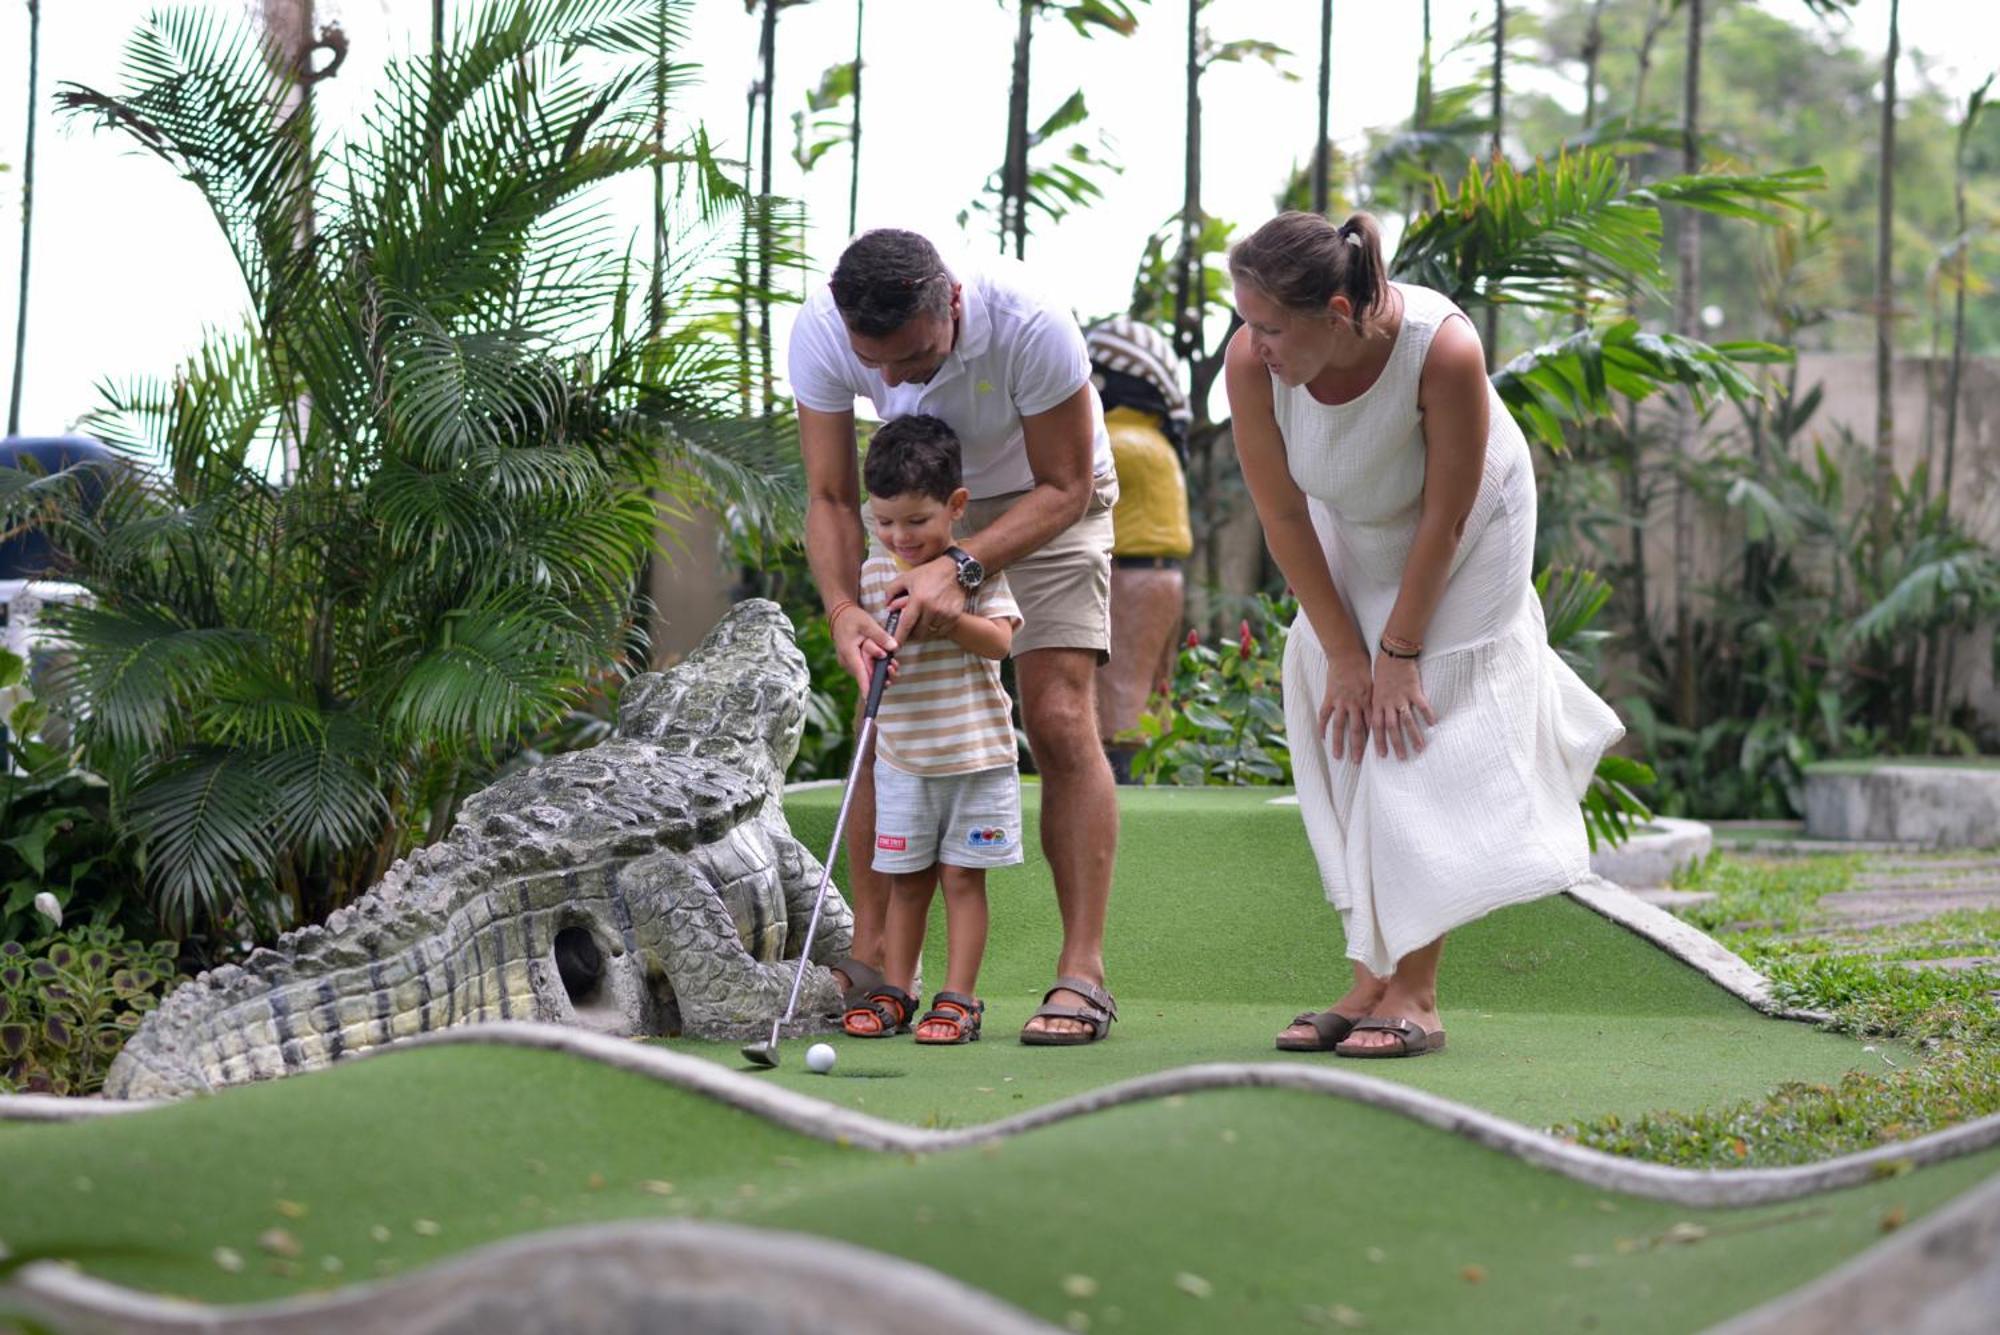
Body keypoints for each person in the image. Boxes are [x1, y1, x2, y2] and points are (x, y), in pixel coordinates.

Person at [1223, 211, 1624, 1058]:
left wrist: (1400, 653)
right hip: (1350, 516)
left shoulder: (1441, 349)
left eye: (1268, 326)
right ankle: (1370, 972)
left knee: (1414, 725)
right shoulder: (1251, 365)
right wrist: (1344, 651)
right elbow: (1282, 511)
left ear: (1335, 312)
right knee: (1344, 716)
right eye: (1245, 322)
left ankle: (1417, 989)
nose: (1252, 343)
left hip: (1470, 528)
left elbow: (1445, 516)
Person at [791, 228, 1121, 1045]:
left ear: (954, 307)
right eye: (878, 367)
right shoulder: (824, 333)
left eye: (913, 359)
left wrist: (964, 566)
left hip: (1043, 501)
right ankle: (876, 962)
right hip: (915, 513)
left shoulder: (1030, 323)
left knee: (1057, 713)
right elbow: (832, 497)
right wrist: (843, 612)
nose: (894, 382)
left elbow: (1069, 484)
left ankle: (1082, 970)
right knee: (885, 717)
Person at [836, 415, 1022, 1044]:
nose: (900, 536)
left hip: (975, 756)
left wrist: (949, 620)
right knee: (906, 882)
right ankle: (897, 988)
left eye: (917, 521)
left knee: (963, 879)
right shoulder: (869, 577)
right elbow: (865, 646)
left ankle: (959, 999)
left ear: (955, 506)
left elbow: (1000, 642)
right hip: (903, 760)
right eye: (885, 521)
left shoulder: (975, 571)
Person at [1084, 317, 1194, 781]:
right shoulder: (1152, 441)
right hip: (1159, 574)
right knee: (1152, 690)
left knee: (1120, 687)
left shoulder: (1115, 442)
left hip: (1128, 576)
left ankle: (1122, 783)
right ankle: (1154, 777)